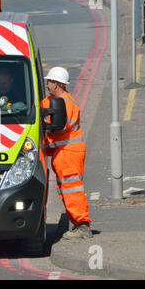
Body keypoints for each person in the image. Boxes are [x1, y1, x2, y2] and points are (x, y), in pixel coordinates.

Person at [40, 67, 93, 240]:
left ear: (56, 84)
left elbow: (59, 126)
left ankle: (82, 225)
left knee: (72, 189)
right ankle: (77, 223)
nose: (47, 85)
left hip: (69, 152)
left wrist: (45, 125)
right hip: (62, 152)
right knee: (65, 189)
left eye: (49, 82)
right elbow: (43, 108)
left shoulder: (66, 104)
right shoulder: (54, 101)